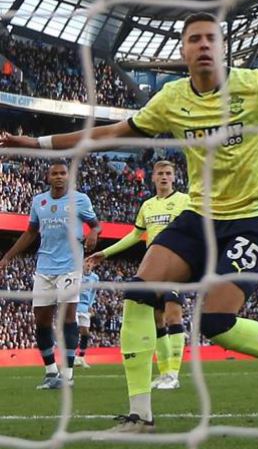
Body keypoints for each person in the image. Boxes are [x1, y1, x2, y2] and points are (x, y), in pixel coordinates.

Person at [1, 11, 258, 433]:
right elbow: (109, 134)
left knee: (216, 324)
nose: (204, 45)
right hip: (199, 216)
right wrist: (37, 143)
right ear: (183, 50)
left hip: (251, 218)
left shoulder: (255, 87)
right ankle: (140, 415)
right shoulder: (172, 100)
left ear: (224, 46)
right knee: (139, 293)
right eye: (195, 39)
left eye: (211, 38)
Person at [94, 159, 193, 388]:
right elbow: (135, 235)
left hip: (176, 263)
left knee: (172, 314)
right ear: (153, 177)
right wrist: (105, 253)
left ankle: (174, 375)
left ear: (174, 177)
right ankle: (165, 372)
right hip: (153, 266)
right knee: (157, 319)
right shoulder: (147, 206)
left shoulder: (185, 201)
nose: (165, 177)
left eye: (169, 173)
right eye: (160, 173)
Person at [0, 160, 98, 388]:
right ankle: (50, 372)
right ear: (48, 177)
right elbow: (30, 232)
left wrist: (93, 232)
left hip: (70, 266)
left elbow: (95, 225)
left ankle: (68, 374)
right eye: (54, 173)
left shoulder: (80, 200)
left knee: (67, 317)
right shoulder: (39, 201)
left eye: (62, 173)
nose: (59, 176)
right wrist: (7, 257)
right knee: (41, 320)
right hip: (44, 267)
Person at [74, 267, 100, 368]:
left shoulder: (95, 278)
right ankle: (72, 357)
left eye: (90, 263)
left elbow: (93, 292)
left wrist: (90, 304)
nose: (88, 265)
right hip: (74, 305)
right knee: (74, 330)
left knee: (85, 333)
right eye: (86, 262)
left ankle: (81, 357)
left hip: (85, 308)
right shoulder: (76, 274)